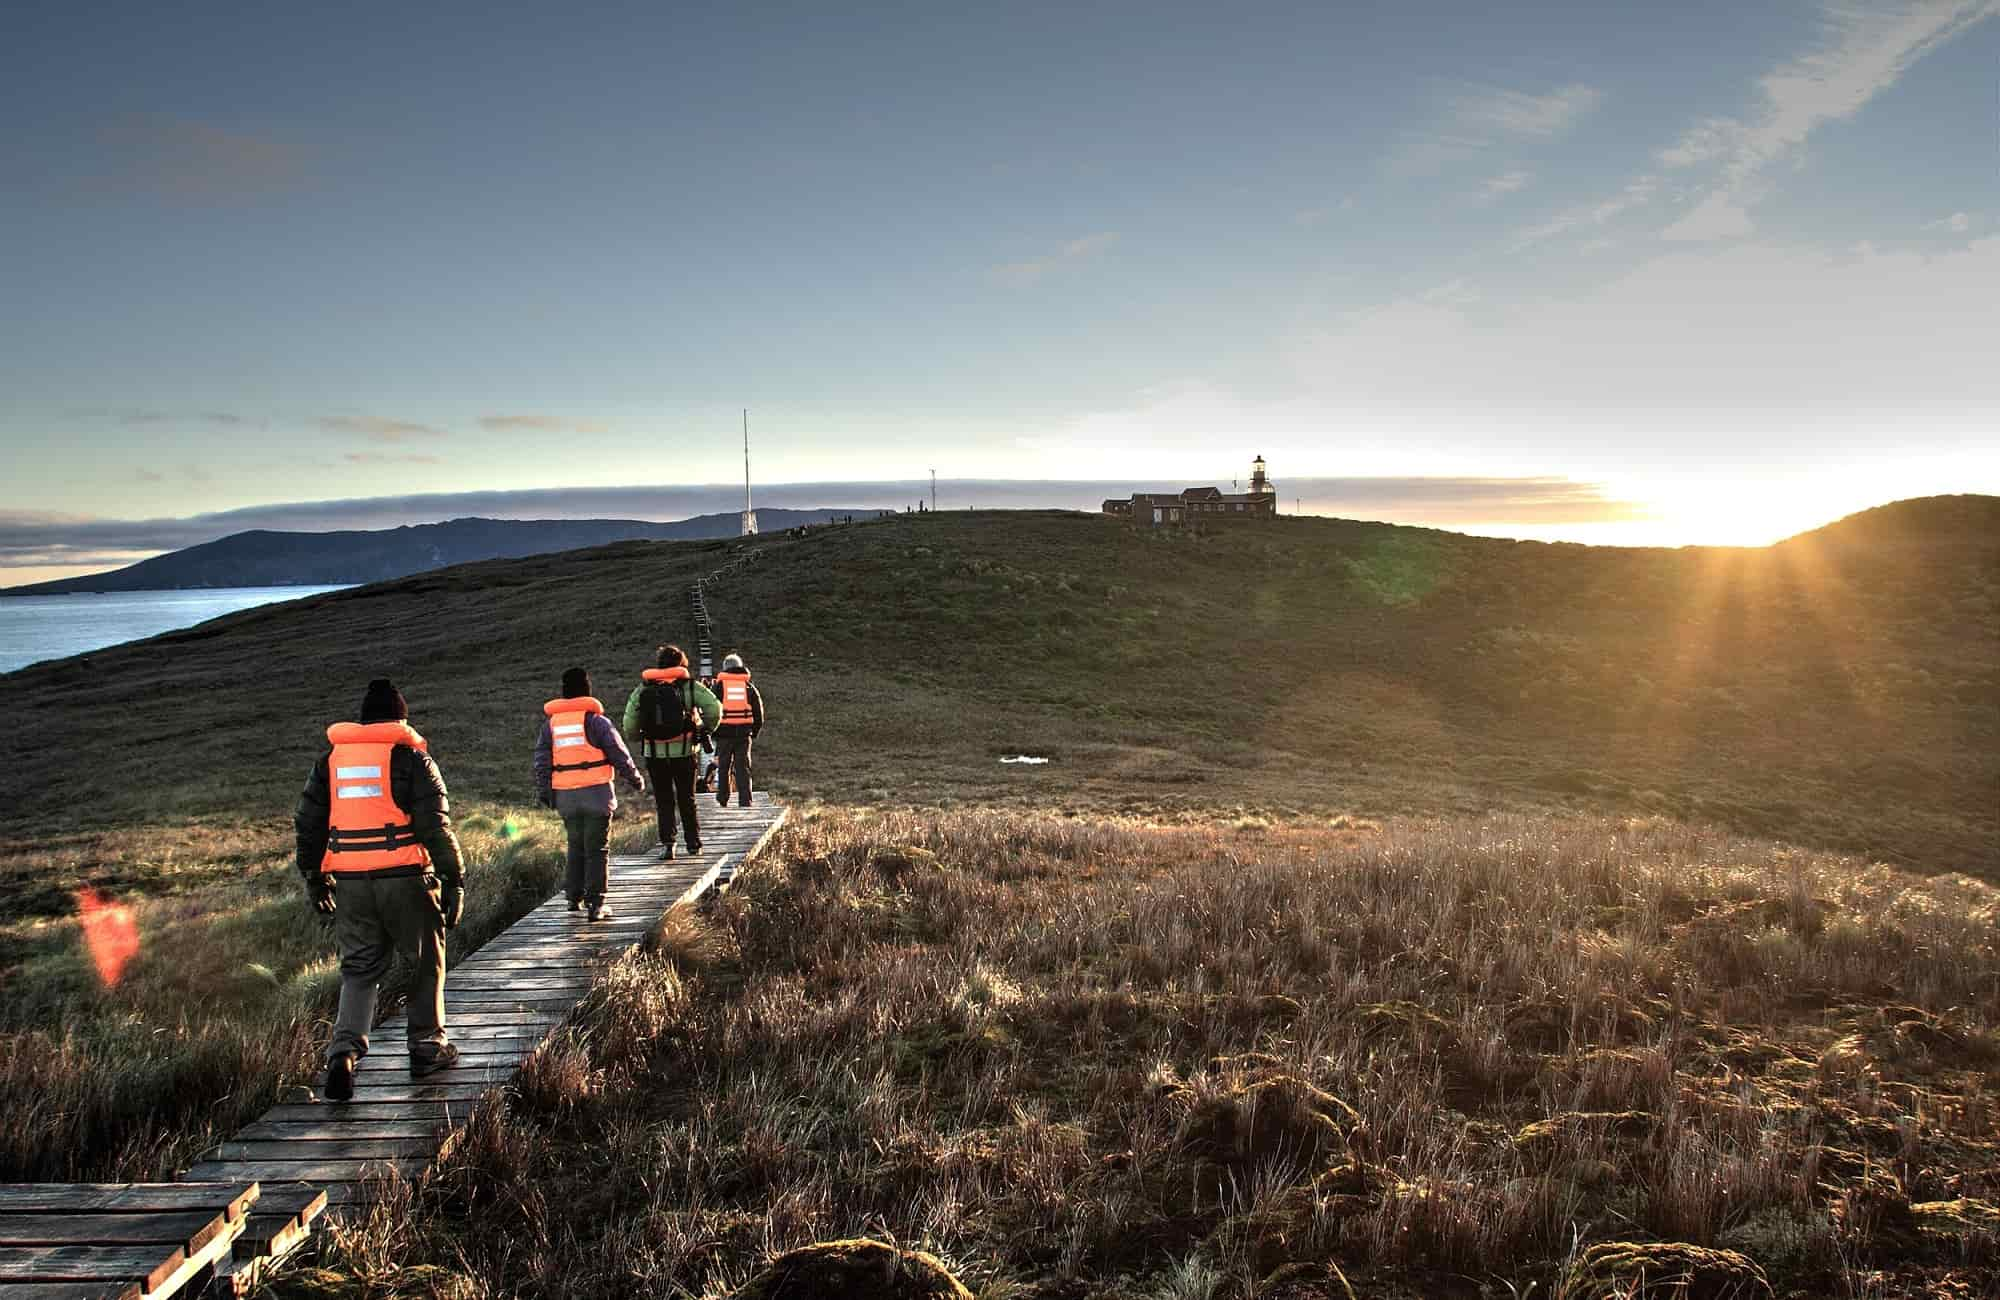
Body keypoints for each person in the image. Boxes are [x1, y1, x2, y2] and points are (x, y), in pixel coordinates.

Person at [294, 677, 465, 1101]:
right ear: (400, 718)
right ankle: (427, 1047)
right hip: (406, 879)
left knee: (359, 970)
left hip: (350, 884)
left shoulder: (329, 763)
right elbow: (435, 827)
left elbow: (309, 824)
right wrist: (454, 880)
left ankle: (343, 1055)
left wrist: (314, 877)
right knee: (425, 962)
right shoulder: (411, 759)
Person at [533, 667, 644, 921]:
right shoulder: (596, 721)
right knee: (597, 848)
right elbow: (618, 753)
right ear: (587, 689)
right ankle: (597, 904)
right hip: (596, 794)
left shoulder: (551, 725)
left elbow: (541, 760)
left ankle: (573, 897)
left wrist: (545, 791)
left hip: (566, 797)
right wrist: (635, 778)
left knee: (576, 844)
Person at [621, 645, 720, 858]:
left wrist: (643, 737)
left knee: (663, 800)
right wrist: (705, 729)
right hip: (685, 753)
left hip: (654, 755)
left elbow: (629, 725)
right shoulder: (690, 687)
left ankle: (668, 845)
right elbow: (715, 708)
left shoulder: (642, 689)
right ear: (681, 664)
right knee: (687, 798)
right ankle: (694, 844)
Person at [712, 652, 764, 808]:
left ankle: (723, 799)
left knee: (723, 767)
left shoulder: (719, 687)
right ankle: (745, 801)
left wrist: (713, 732)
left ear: (725, 668)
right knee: (743, 768)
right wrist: (754, 732)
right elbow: (758, 713)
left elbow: (712, 711)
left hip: (724, 735)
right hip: (743, 735)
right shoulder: (749, 687)